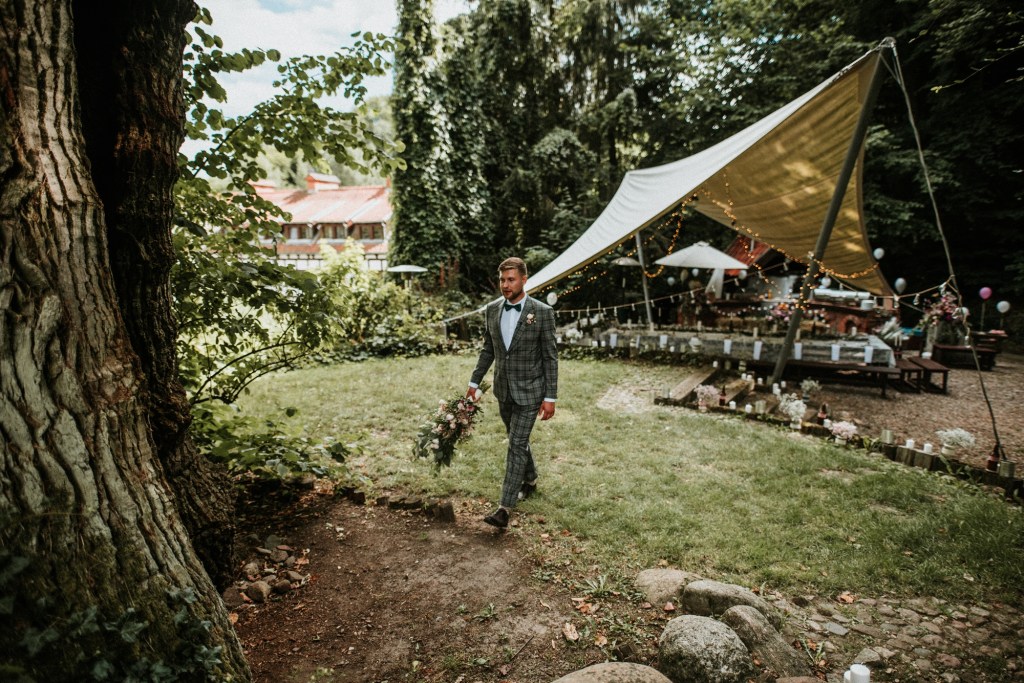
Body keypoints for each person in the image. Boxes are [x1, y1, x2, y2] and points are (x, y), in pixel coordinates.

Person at [468, 257, 558, 529]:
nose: (506, 285)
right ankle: (530, 479)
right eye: (502, 280)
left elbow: (550, 357)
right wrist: (474, 381)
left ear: (524, 280)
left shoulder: (541, 312)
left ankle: (504, 509)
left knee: (516, 444)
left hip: (531, 391)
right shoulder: (492, 309)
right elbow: (489, 349)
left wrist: (550, 397)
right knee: (516, 439)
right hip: (504, 390)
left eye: (511, 280)